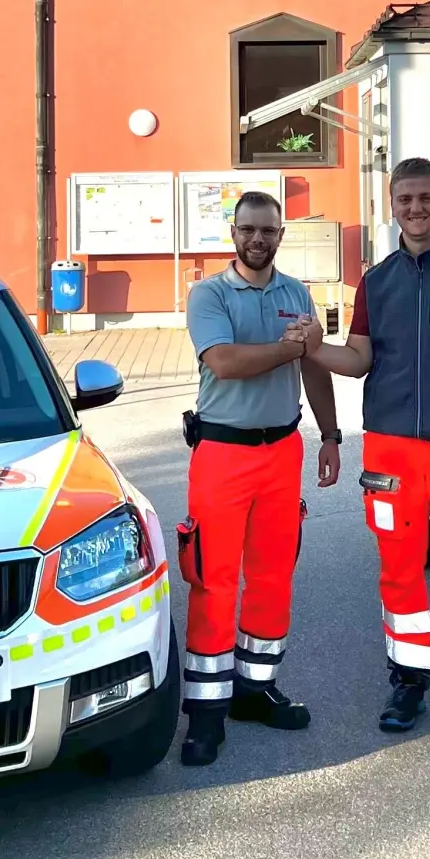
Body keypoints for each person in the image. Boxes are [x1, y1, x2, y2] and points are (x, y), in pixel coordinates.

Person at [286, 157, 430, 734]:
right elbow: (359, 359)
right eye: (405, 199)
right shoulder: (376, 280)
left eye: (425, 198)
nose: (415, 208)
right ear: (392, 205)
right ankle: (408, 682)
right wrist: (315, 348)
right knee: (399, 569)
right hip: (390, 451)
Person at [177, 190, 342, 766]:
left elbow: (313, 365)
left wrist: (331, 435)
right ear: (234, 233)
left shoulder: (297, 293)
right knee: (213, 578)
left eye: (268, 231)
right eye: (248, 229)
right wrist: (287, 346)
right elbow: (223, 362)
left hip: (282, 451)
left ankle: (254, 688)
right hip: (223, 451)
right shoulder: (210, 294)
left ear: (280, 234)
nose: (257, 239)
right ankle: (205, 711)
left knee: (273, 575)